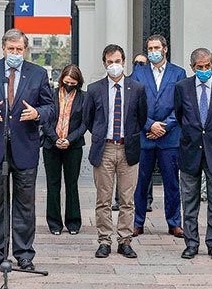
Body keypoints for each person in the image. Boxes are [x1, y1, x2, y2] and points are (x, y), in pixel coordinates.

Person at [0, 28, 54, 272]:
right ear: (3, 49)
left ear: (25, 50)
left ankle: (24, 254)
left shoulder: (37, 74)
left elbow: (50, 107)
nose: (15, 53)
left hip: (25, 148)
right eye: (11, 49)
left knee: (25, 206)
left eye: (19, 49)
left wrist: (38, 114)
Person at [84, 44, 147, 259]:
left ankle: (125, 240)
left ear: (124, 62)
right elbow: (89, 119)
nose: (114, 66)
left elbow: (142, 117)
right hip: (105, 149)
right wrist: (103, 135)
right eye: (110, 62)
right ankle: (104, 240)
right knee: (103, 198)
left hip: (128, 148)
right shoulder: (94, 89)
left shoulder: (137, 88)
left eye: (117, 61)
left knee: (127, 199)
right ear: (104, 64)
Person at [174, 48, 212, 261]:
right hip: (190, 150)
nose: (204, 70)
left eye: (207, 66)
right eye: (199, 67)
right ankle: (191, 243)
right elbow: (180, 114)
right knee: (189, 200)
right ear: (192, 67)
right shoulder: (182, 87)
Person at [131, 35, 186, 239]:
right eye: (149, 48)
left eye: (156, 48)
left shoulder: (178, 73)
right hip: (145, 136)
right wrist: (150, 125)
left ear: (165, 49)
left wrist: (164, 126)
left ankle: (174, 223)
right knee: (141, 183)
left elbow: (181, 104)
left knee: (172, 182)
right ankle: (138, 222)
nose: (153, 51)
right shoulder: (138, 73)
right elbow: (134, 105)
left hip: (169, 137)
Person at [41, 65, 86, 236]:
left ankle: (73, 222)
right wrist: (55, 138)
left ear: (78, 83)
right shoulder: (50, 95)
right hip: (51, 145)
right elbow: (44, 119)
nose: (69, 85)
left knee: (71, 184)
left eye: (73, 83)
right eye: (67, 82)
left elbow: (84, 123)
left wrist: (69, 139)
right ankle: (54, 223)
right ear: (61, 81)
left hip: (73, 146)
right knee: (53, 184)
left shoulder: (84, 97)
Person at [114, 53, 151, 212]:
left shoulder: (142, 85)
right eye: (137, 63)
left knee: (143, 174)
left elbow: (142, 111)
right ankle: (118, 199)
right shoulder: (129, 82)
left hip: (147, 132)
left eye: (142, 63)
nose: (139, 66)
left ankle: (147, 200)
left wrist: (150, 125)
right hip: (131, 135)